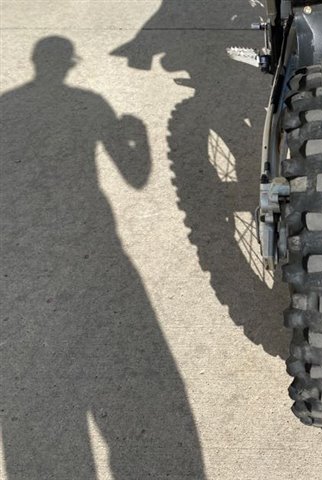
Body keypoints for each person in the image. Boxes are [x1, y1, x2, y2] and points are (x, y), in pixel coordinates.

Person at [0, 36, 204, 478]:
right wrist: (141, 136)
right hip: (93, 235)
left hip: (24, 248)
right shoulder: (90, 104)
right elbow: (136, 177)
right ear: (69, 64)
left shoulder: (6, 106)